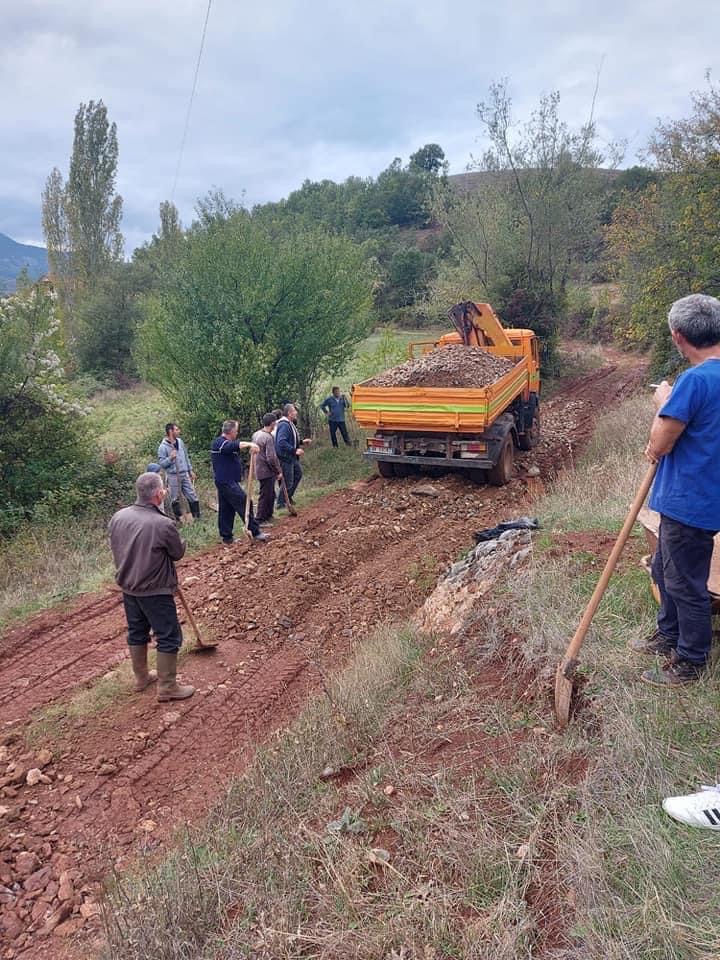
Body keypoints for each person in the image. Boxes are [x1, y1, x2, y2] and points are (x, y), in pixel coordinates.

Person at [633, 293, 720, 686]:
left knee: (685, 581)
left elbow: (659, 444)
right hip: (704, 495)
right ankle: (668, 634)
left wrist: (663, 400)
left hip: (691, 499)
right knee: (665, 569)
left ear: (678, 336)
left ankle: (690, 659)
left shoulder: (694, 381)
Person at [108, 472, 195, 702]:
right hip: (155, 590)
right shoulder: (163, 523)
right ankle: (167, 687)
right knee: (168, 635)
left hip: (129, 588)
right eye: (163, 491)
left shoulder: (118, 516)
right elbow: (177, 553)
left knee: (137, 631)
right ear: (159, 494)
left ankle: (142, 677)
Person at [210, 420, 267, 544]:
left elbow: (234, 448)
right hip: (226, 482)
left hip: (228, 481)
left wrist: (252, 450)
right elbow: (232, 446)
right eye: (236, 430)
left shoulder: (228, 443)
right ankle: (256, 531)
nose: (237, 432)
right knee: (245, 501)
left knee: (226, 508)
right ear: (230, 431)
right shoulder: (219, 443)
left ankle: (227, 537)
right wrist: (250, 444)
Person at [157, 422, 200, 523]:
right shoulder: (162, 447)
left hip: (184, 473)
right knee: (175, 498)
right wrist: (170, 458)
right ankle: (180, 519)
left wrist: (190, 470)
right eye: (176, 430)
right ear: (170, 431)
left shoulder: (180, 442)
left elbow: (186, 456)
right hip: (173, 476)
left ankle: (197, 517)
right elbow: (162, 464)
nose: (179, 431)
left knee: (192, 494)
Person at [252, 412, 282, 525]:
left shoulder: (256, 434)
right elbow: (271, 458)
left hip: (259, 469)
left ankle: (269, 516)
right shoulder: (268, 437)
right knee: (265, 495)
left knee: (270, 493)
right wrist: (278, 471)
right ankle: (259, 519)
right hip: (266, 471)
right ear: (273, 423)